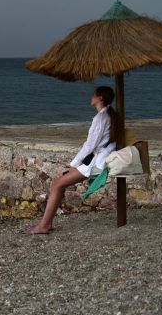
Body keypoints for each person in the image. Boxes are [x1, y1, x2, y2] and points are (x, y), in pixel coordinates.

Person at [26, 86, 118, 235]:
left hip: (97, 164)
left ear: (100, 97)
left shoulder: (101, 118)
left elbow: (90, 145)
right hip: (97, 160)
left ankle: (44, 225)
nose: (91, 97)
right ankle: (47, 223)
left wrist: (73, 164)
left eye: (93, 94)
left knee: (56, 185)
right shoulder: (109, 115)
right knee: (59, 182)